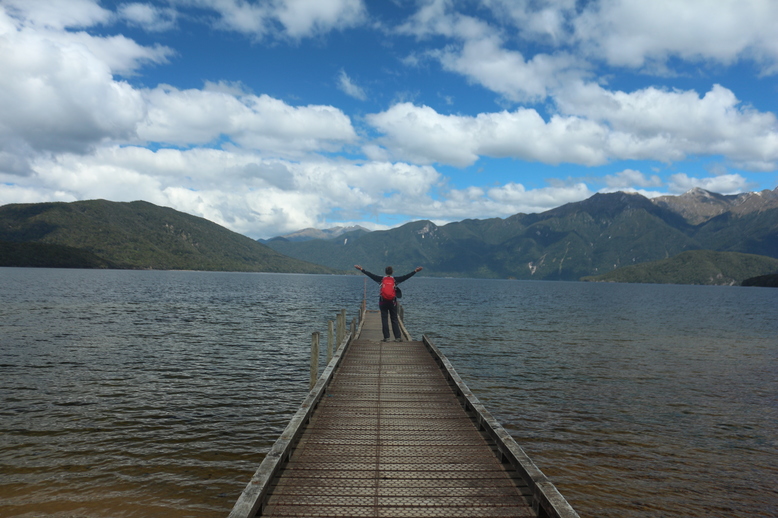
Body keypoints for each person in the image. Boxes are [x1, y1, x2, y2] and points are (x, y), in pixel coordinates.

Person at [355, 265, 423, 342]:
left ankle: (386, 337)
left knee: (384, 319)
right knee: (394, 319)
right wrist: (415, 271)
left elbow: (370, 275)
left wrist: (361, 269)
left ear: (385, 272)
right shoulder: (395, 280)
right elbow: (405, 277)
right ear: (392, 272)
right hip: (392, 302)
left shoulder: (381, 279)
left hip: (383, 302)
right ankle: (397, 337)